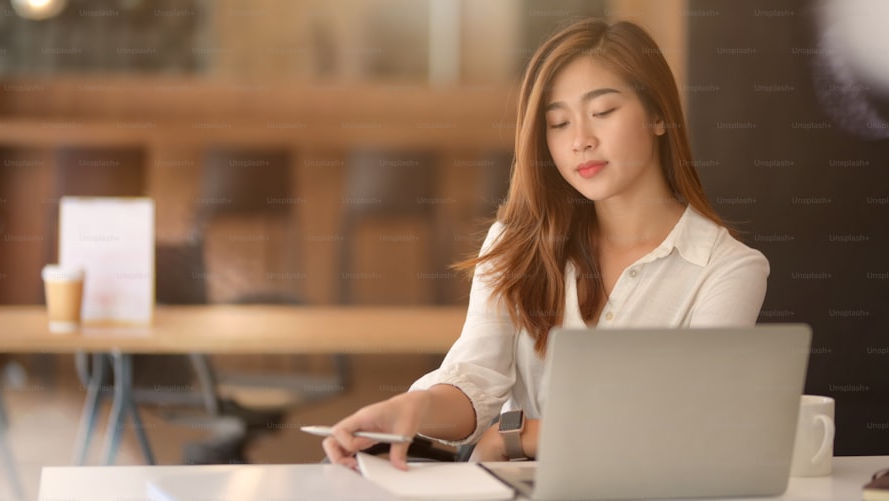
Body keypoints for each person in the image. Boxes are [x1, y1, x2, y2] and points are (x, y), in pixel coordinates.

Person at [322, 18, 769, 471]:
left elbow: (691, 426)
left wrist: (519, 435)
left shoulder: (727, 269)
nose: (580, 141)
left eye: (603, 112)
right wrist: (412, 408)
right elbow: (477, 379)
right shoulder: (518, 243)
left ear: (658, 115)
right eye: (558, 123)